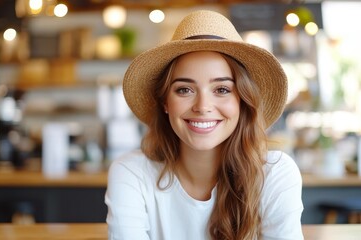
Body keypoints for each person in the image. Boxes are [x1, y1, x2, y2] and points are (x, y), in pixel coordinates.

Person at [105, 10, 304, 240]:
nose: (202, 106)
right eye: (184, 89)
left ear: (242, 101)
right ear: (165, 103)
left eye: (222, 90)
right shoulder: (132, 174)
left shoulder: (276, 174)